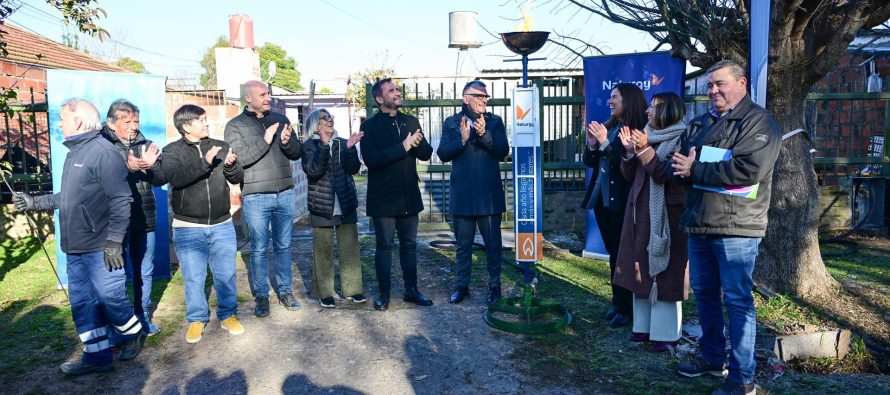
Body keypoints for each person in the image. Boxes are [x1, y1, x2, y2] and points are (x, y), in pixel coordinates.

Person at [13, 97, 145, 375]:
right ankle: (97, 358)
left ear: (78, 120)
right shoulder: (74, 153)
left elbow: (122, 200)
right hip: (75, 248)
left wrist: (114, 242)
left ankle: (132, 333)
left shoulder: (103, 152)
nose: (59, 124)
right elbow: (69, 197)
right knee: (83, 305)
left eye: (62, 118)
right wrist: (34, 202)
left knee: (111, 298)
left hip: (101, 247)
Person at [672, 60, 781, 395]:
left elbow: (748, 170)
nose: (713, 91)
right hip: (701, 222)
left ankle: (742, 377)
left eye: (720, 84)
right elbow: (680, 159)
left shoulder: (759, 122)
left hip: (737, 226)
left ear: (742, 83)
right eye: (709, 86)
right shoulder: (701, 122)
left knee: (737, 300)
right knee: (704, 294)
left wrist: (696, 168)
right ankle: (711, 356)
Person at [611, 92, 689, 352]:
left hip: (668, 214)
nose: (647, 112)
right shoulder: (646, 134)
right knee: (640, 268)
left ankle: (665, 334)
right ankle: (643, 327)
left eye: (653, 108)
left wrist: (643, 149)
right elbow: (629, 174)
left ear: (669, 110)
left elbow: (664, 175)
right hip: (640, 212)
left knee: (666, 270)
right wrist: (630, 152)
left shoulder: (682, 138)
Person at [163, 104, 245, 344]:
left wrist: (230, 166)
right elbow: (176, 179)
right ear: (186, 126)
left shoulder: (222, 146)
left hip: (221, 223)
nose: (207, 123)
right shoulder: (172, 152)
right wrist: (205, 163)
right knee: (194, 277)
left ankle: (228, 314)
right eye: (201, 120)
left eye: (206, 119)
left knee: (226, 274)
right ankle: (197, 318)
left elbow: (236, 178)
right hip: (188, 227)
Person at [224, 80, 303, 317]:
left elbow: (297, 153)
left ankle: (285, 291)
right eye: (263, 94)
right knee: (258, 249)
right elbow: (241, 160)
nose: (268, 98)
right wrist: (266, 139)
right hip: (256, 196)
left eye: (268, 93)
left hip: (285, 193)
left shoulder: (281, 119)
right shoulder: (235, 126)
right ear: (248, 98)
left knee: (283, 246)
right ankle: (261, 295)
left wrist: (288, 143)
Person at [360, 78, 434, 311]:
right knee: (384, 245)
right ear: (380, 99)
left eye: (397, 89)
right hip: (383, 198)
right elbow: (372, 160)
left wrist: (418, 143)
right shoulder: (369, 127)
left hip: (408, 196)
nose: (397, 93)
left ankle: (411, 290)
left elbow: (426, 154)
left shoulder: (410, 121)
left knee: (409, 245)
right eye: (391, 91)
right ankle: (384, 293)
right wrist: (403, 146)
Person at [580, 82, 648, 328]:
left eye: (614, 97)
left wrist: (605, 144)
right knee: (614, 253)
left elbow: (625, 168)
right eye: (610, 97)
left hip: (623, 202)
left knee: (625, 255)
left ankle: (628, 307)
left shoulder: (638, 129)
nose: (609, 102)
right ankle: (617, 302)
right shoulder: (611, 127)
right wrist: (591, 144)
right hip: (603, 201)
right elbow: (591, 162)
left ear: (627, 100)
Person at [437, 80, 509, 306]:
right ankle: (462, 286)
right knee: (463, 245)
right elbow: (443, 153)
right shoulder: (452, 123)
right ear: (465, 98)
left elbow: (502, 150)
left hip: (489, 197)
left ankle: (494, 286)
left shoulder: (494, 122)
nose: (484, 99)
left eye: (486, 96)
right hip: (463, 197)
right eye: (479, 96)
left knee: (493, 245)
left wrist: (485, 134)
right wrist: (463, 139)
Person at [99, 99, 165, 335]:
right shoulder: (100, 146)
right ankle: (119, 324)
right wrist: (126, 166)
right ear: (111, 122)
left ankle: (142, 316)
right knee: (115, 276)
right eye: (127, 121)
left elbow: (160, 179)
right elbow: (97, 179)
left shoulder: (145, 144)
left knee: (144, 271)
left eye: (136, 121)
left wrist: (153, 165)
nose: (133, 126)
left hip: (144, 219)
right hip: (114, 224)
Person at [301, 108, 366, 308]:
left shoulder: (341, 142)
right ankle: (325, 292)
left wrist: (350, 149)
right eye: (325, 118)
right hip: (321, 206)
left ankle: (353, 290)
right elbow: (313, 170)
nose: (330, 120)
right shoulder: (309, 146)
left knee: (350, 249)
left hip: (345, 203)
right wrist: (323, 146)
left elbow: (353, 169)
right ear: (315, 124)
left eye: (331, 117)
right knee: (323, 251)